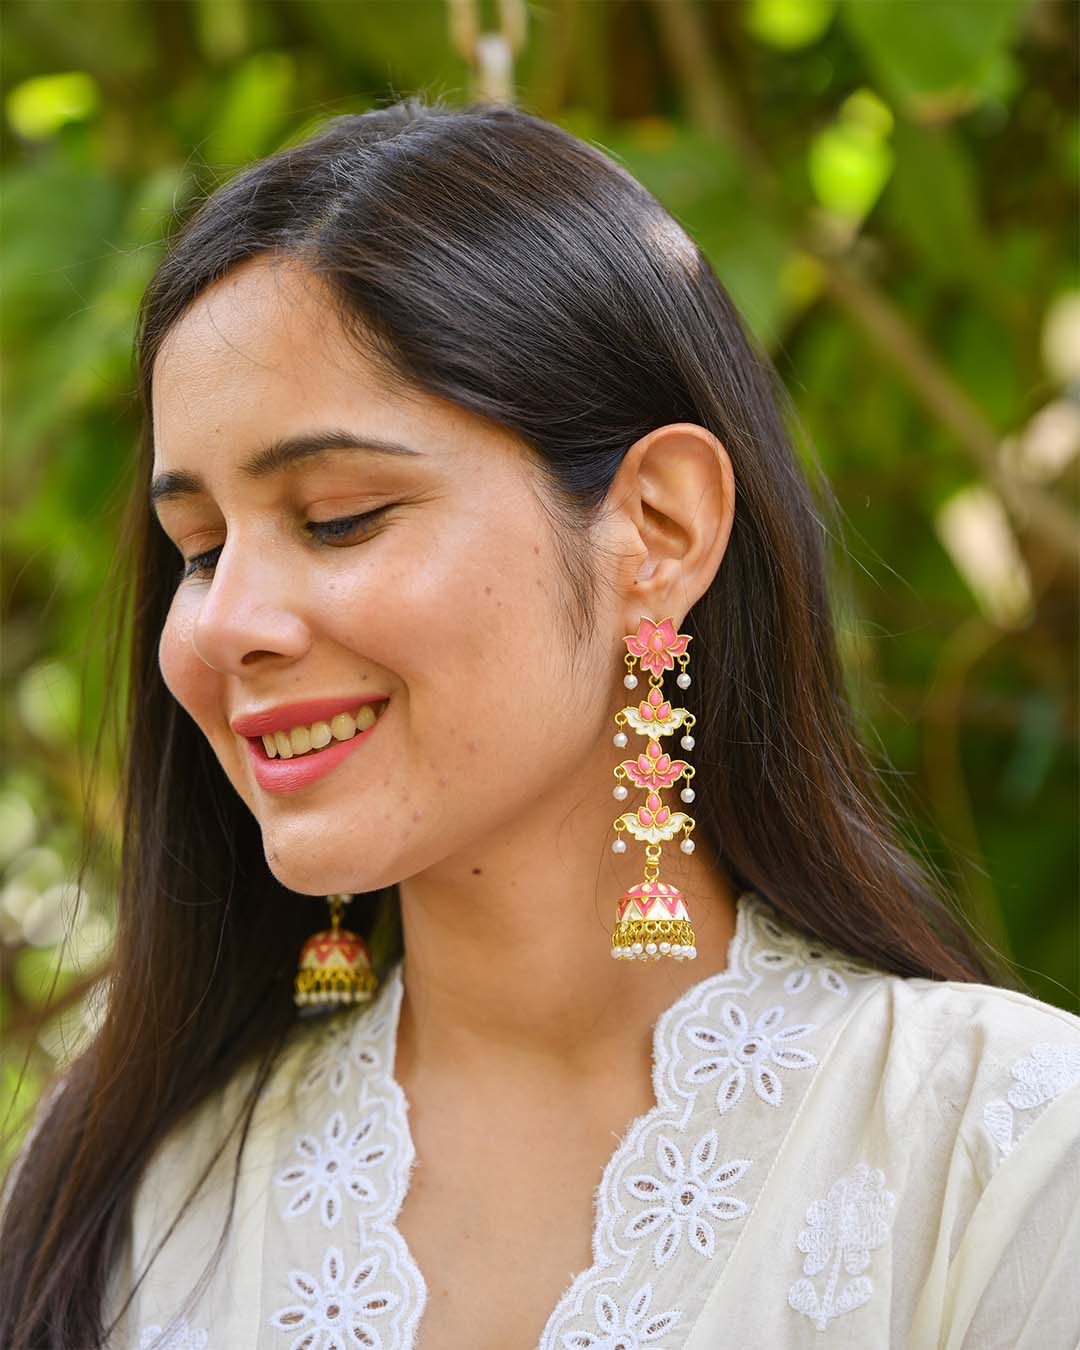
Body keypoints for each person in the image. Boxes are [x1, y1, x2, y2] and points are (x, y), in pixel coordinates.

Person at [1, 95, 1077, 1350]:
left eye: (339, 516)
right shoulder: (133, 1198)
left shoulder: (994, 1155)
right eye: (197, 549)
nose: (222, 624)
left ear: (658, 529)